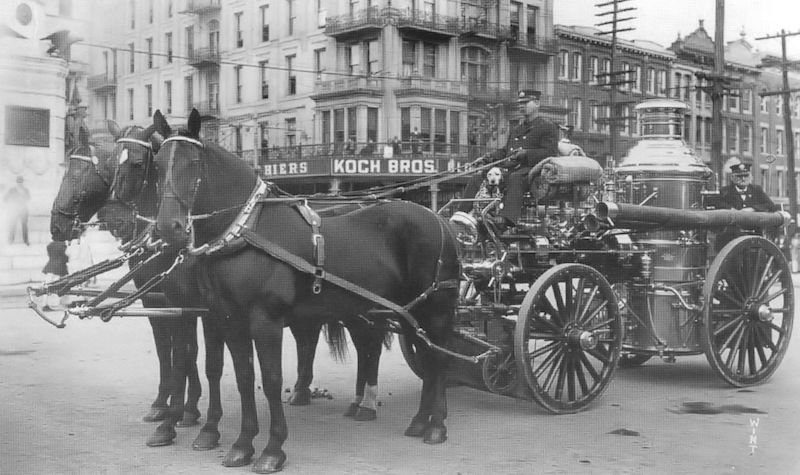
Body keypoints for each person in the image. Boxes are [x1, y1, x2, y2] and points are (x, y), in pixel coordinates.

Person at [461, 89, 559, 228]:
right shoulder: (516, 129)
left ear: (537, 103)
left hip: (532, 171)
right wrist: (487, 158)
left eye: (526, 103)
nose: (521, 106)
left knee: (515, 177)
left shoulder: (547, 127)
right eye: (520, 103)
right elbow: (505, 152)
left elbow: (550, 153)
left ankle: (506, 219)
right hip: (511, 169)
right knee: (478, 177)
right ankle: (461, 214)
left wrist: (526, 153)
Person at [716, 162, 779, 251]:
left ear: (750, 177)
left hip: (754, 236)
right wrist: (732, 210)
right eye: (739, 176)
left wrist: (753, 209)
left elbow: (770, 206)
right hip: (731, 239)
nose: (743, 179)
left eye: (746, 176)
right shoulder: (724, 192)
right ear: (732, 177)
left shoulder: (757, 190)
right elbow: (716, 204)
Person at [41, 240, 69, 310]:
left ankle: (45, 303)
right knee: (61, 285)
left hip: (50, 266)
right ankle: (60, 303)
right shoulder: (62, 244)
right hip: (59, 267)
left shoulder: (51, 244)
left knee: (47, 285)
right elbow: (64, 256)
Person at [4, 176, 31, 245]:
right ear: (16, 182)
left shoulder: (25, 190)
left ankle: (26, 240)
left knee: (24, 226)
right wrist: (12, 202)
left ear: (23, 182)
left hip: (23, 210)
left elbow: (28, 198)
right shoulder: (12, 190)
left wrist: (23, 198)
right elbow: (5, 199)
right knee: (12, 225)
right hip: (14, 210)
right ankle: (10, 240)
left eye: (21, 182)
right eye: (19, 182)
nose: (20, 183)